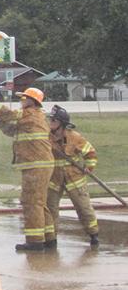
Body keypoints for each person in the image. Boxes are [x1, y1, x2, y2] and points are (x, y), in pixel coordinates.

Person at [0, 87, 55, 251]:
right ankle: (50, 239)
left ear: (32, 101)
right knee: (39, 202)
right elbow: (13, 130)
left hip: (35, 165)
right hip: (39, 164)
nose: (21, 101)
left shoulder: (29, 113)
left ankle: (35, 241)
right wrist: (1, 125)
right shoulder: (34, 116)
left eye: (24, 98)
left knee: (31, 203)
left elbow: (6, 112)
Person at [46, 105, 100, 248]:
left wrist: (89, 167)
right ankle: (51, 239)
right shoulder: (46, 137)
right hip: (54, 180)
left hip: (75, 180)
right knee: (50, 209)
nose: (50, 122)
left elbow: (91, 153)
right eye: (50, 119)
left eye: (53, 120)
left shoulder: (75, 137)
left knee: (84, 208)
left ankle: (94, 235)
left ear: (61, 124)